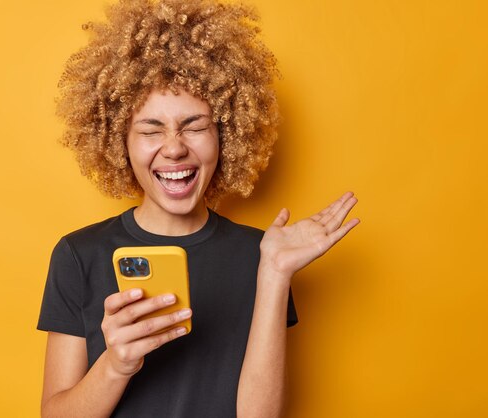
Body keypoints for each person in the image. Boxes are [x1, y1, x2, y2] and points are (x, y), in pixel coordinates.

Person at [37, 0, 360, 416]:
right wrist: (116, 365)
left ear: (227, 133)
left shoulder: (260, 255)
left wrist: (275, 275)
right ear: (118, 141)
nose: (174, 147)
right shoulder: (77, 256)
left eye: (195, 126)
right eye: (151, 129)